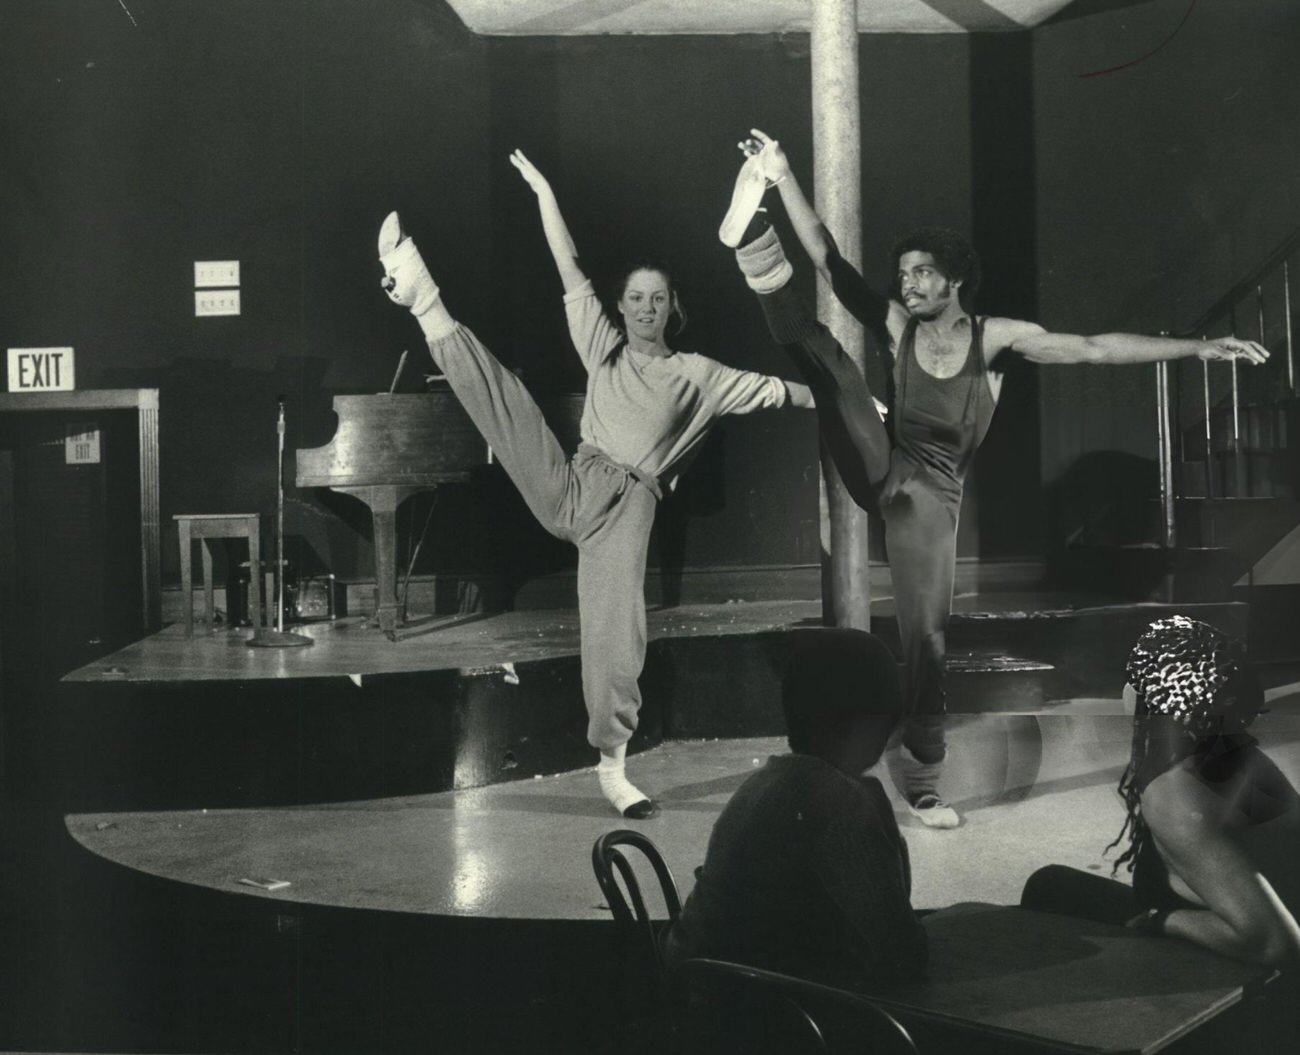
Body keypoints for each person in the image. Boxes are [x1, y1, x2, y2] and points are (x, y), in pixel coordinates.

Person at [718, 130, 1269, 830]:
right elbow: (829, 262)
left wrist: (1199, 345)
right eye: (904, 272)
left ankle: (924, 776)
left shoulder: (995, 337)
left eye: (922, 272)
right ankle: (752, 238)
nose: (908, 283)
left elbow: (1095, 349)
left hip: (931, 504)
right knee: (828, 363)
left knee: (927, 640)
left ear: (954, 278)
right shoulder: (896, 326)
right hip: (883, 462)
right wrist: (784, 175)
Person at [377, 150, 814, 820]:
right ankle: (425, 300)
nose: (645, 307)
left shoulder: (700, 373)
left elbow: (779, 391)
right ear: (621, 306)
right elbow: (567, 264)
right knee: (513, 403)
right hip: (576, 483)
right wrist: (545, 192)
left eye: (657, 298)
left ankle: (613, 766)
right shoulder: (603, 347)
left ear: (673, 307)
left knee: (617, 631)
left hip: (628, 506)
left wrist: (851, 402)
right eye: (635, 298)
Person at [662, 627, 927, 987]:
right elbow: (901, 948)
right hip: (759, 1014)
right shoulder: (835, 799)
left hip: (703, 985)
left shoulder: (768, 779)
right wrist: (875, 806)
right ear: (868, 722)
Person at [1105, 614, 1300, 967]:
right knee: (1048, 884)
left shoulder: (1175, 792)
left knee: (1048, 895)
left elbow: (1274, 942)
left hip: (1263, 976)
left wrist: (1163, 920)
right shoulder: (1233, 751)